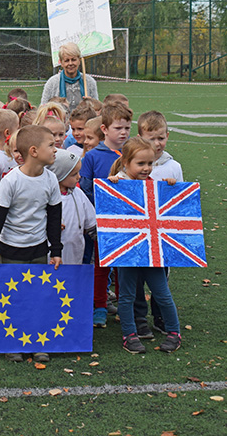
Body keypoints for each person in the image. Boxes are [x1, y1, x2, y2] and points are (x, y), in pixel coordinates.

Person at [0, 125, 63, 363]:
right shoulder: (11, 181)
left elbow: (54, 217)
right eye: (51, 145)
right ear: (34, 151)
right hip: (11, 249)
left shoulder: (51, 179)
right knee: (15, 297)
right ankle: (13, 343)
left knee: (37, 297)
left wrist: (56, 250)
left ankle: (37, 342)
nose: (56, 149)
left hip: (39, 248)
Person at [106, 137, 181, 354]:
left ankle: (174, 333)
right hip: (127, 251)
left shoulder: (153, 185)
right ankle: (129, 335)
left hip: (152, 251)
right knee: (127, 295)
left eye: (150, 164)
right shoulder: (116, 184)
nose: (147, 168)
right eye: (141, 164)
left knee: (162, 293)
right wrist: (111, 187)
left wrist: (169, 189)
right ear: (125, 163)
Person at [79, 102, 132, 328]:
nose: (123, 133)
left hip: (129, 223)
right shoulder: (93, 157)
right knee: (101, 267)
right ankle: (99, 306)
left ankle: (124, 306)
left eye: (127, 128)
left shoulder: (132, 152)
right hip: (102, 223)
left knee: (125, 267)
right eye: (118, 128)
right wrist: (95, 216)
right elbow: (86, 189)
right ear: (104, 129)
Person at [132, 110, 184, 337]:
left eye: (161, 137)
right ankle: (139, 317)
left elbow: (180, 202)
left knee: (160, 277)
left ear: (168, 136)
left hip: (161, 235)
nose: (157, 143)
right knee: (135, 277)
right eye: (151, 138)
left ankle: (160, 315)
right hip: (136, 233)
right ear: (140, 137)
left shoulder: (173, 167)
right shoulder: (131, 163)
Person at [46, 150, 96, 266]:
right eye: (74, 174)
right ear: (59, 175)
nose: (79, 177)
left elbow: (92, 225)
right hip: (49, 258)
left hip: (75, 257)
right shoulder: (44, 196)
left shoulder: (78, 194)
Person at [41, 42, 98, 111]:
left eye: (73, 60)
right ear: (61, 62)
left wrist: (91, 104)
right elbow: (43, 108)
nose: (70, 63)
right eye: (67, 60)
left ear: (79, 61)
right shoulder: (52, 82)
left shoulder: (89, 81)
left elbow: (97, 110)